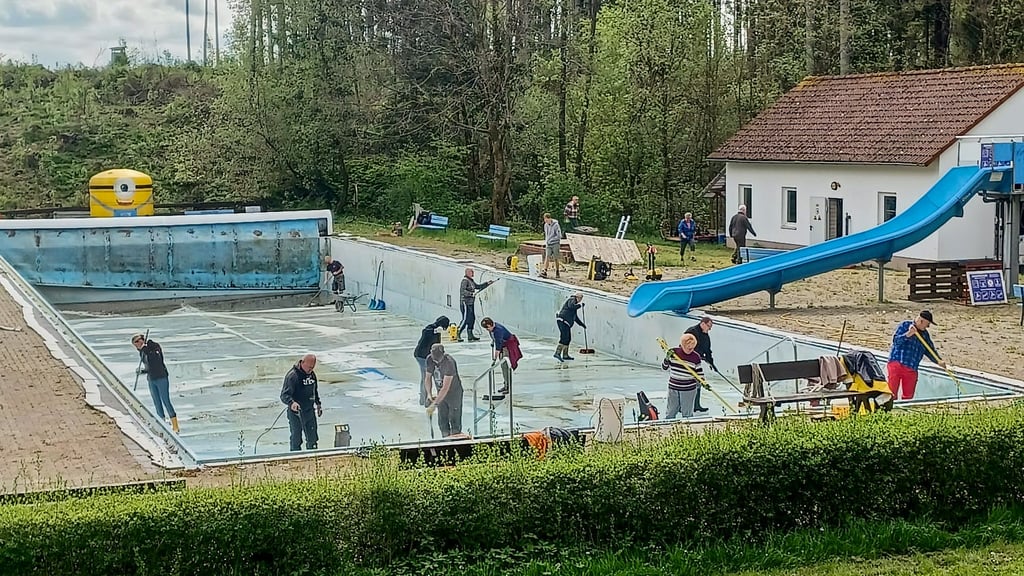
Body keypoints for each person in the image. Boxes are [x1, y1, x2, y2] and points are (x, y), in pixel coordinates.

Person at [887, 310, 946, 401]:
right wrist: (908, 334)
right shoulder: (905, 325)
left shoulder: (925, 335)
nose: (928, 326)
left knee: (908, 396)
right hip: (896, 363)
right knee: (891, 393)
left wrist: (938, 360)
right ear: (921, 321)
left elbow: (929, 350)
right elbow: (896, 341)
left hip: (911, 367)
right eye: (927, 324)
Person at [132, 333, 179, 433]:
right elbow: (148, 366)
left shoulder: (154, 346)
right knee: (156, 401)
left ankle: (175, 425)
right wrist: (143, 371)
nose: (136, 346)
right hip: (151, 378)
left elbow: (156, 360)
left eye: (137, 342)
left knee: (165, 400)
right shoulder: (142, 352)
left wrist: (146, 349)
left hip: (161, 377)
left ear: (141, 340)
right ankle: (162, 423)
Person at [280, 353, 322, 451]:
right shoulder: (292, 376)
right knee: (296, 438)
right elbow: (284, 395)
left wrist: (318, 404)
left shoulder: (311, 374)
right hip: (296, 413)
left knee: (312, 438)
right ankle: (295, 457)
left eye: (312, 368)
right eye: (309, 367)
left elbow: (314, 390)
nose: (310, 370)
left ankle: (313, 456)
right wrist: (292, 403)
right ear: (302, 362)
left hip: (309, 411)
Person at [424, 344, 464, 438]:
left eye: (438, 358)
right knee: (442, 421)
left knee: (454, 420)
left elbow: (446, 387)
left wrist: (435, 404)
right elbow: (427, 378)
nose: (436, 360)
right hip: (440, 393)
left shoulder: (449, 362)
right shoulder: (429, 359)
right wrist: (429, 394)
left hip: (454, 393)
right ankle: (445, 439)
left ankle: (455, 440)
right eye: (434, 358)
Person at [661, 333, 704, 419]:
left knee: (687, 413)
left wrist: (702, 382)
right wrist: (667, 358)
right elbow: (664, 368)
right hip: (673, 387)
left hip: (688, 389)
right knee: (670, 412)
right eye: (689, 348)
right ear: (683, 345)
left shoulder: (696, 357)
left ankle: (687, 429)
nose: (691, 350)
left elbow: (699, 373)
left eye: (692, 348)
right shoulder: (674, 353)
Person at [480, 317, 523, 395]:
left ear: (490, 325)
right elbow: (495, 339)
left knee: (505, 367)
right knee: (503, 368)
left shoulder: (498, 330)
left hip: (507, 348)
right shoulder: (493, 329)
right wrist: (493, 341)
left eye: (487, 328)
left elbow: (498, 347)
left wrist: (494, 359)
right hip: (503, 346)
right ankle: (505, 385)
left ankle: (507, 387)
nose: (487, 330)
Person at [414, 316, 451, 405]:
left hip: (420, 354)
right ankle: (427, 400)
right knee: (428, 377)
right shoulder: (434, 331)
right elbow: (437, 348)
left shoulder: (430, 328)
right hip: (424, 356)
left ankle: (425, 399)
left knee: (427, 377)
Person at [684, 316, 716, 413]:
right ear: (702, 324)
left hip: (696, 361)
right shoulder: (692, 331)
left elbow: (708, 351)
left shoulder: (706, 336)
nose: (709, 329)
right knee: (688, 383)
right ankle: (684, 405)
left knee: (698, 382)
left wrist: (711, 363)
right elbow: (685, 345)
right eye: (708, 327)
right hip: (687, 360)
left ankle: (696, 405)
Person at [457, 268, 495, 342]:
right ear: (468, 273)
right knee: (465, 319)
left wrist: (487, 284)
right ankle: (458, 333)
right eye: (472, 272)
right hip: (465, 303)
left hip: (471, 303)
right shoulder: (465, 281)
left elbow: (477, 286)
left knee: (472, 319)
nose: (473, 273)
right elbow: (463, 291)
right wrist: (471, 294)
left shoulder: (471, 280)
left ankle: (470, 335)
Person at [554, 291, 586, 362]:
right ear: (577, 297)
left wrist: (582, 324)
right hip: (563, 321)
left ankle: (565, 355)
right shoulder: (572, 300)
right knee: (564, 337)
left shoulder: (574, 305)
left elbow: (575, 318)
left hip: (566, 323)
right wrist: (579, 306)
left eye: (581, 298)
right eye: (580, 298)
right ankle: (557, 353)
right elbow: (571, 306)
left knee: (568, 338)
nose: (580, 300)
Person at [542, 213, 563, 279]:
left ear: (549, 219)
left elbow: (559, 236)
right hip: (548, 244)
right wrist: (547, 241)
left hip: (555, 243)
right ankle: (545, 271)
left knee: (556, 258)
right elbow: (546, 234)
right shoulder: (545, 225)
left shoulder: (556, 225)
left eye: (547, 220)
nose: (546, 221)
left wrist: (552, 240)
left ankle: (557, 271)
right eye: (545, 220)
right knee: (547, 257)